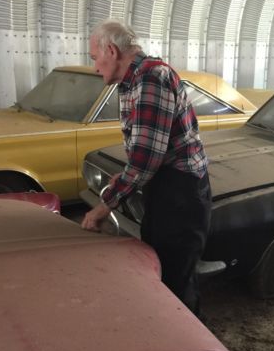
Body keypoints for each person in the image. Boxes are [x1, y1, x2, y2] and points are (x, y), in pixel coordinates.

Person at [81, 19, 211, 316]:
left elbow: (145, 158)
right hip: (167, 187)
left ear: (111, 51)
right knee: (161, 270)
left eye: (94, 58)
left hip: (180, 195)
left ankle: (188, 339)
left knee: (175, 282)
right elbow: (148, 151)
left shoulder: (151, 78)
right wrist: (130, 176)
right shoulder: (136, 80)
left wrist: (104, 206)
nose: (95, 67)